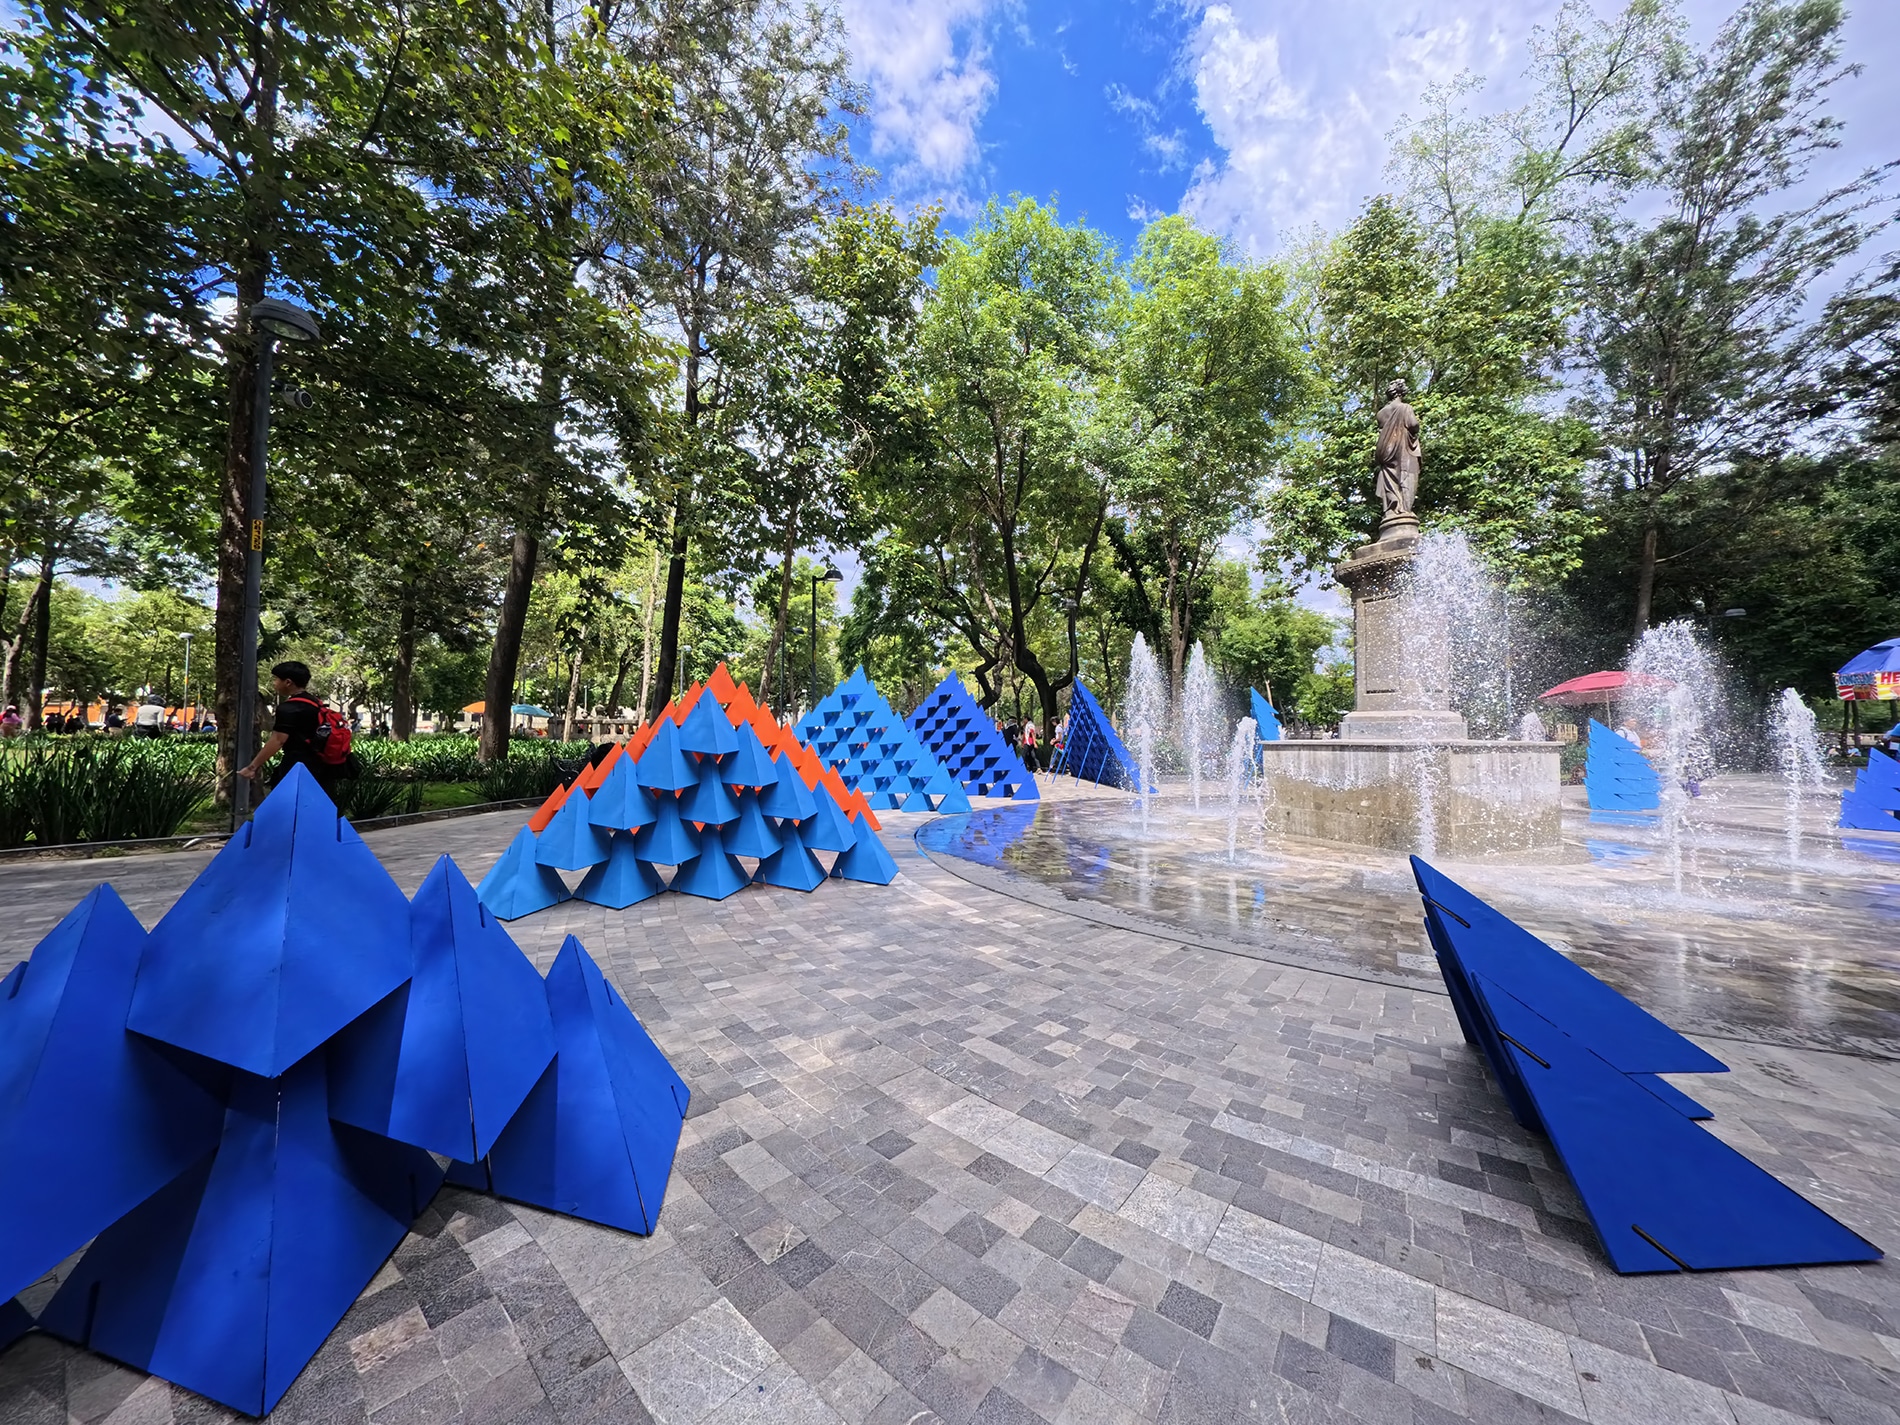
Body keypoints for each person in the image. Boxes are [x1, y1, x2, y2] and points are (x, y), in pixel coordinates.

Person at [238, 661, 340, 799]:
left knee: (286, 805)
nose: (274, 683)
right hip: (321, 766)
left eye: (276, 679)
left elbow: (278, 740)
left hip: (296, 765)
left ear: (288, 682)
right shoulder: (316, 703)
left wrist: (252, 767)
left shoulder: (289, 708)